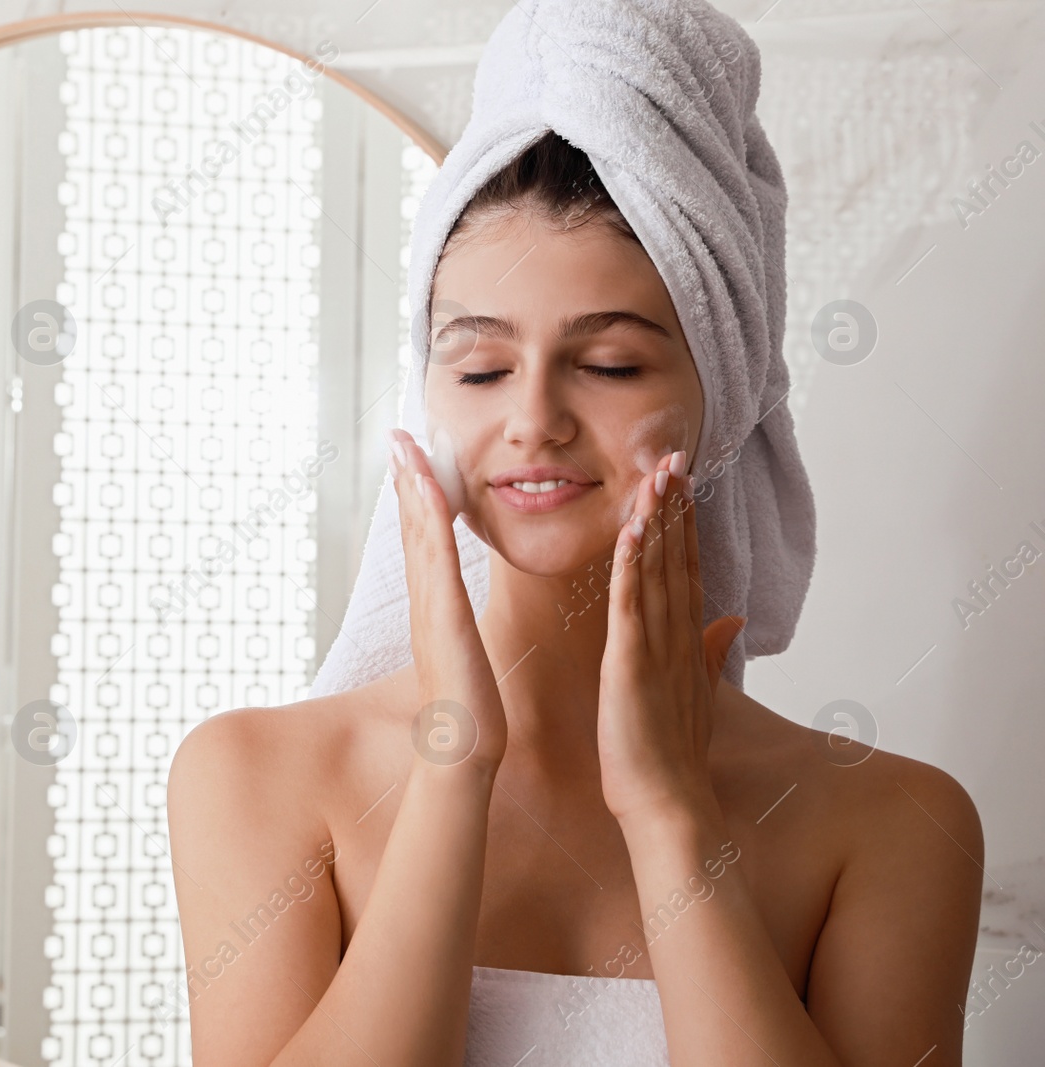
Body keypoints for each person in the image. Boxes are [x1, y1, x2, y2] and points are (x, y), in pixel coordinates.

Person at [166, 130, 983, 1066]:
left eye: (610, 365)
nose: (534, 421)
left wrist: (671, 813)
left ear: (719, 397)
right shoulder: (252, 777)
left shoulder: (891, 825)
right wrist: (451, 769)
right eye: (480, 368)